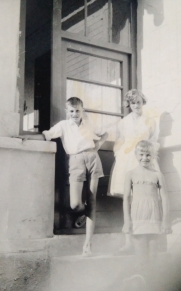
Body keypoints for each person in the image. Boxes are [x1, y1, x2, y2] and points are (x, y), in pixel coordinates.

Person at [43, 97, 108, 256]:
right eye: (71, 111)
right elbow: (48, 134)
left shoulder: (88, 123)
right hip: (76, 160)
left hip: (93, 158)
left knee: (92, 201)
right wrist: (44, 134)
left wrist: (98, 145)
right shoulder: (63, 125)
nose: (74, 113)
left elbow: (104, 133)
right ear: (67, 112)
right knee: (75, 204)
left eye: (77, 110)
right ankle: (86, 214)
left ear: (82, 110)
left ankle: (88, 245)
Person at [109, 89, 159, 252]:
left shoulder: (150, 121)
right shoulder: (123, 122)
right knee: (129, 201)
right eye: (132, 102)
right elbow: (120, 142)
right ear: (128, 104)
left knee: (145, 199)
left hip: (144, 159)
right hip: (127, 160)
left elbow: (153, 141)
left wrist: (149, 159)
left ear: (142, 102)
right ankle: (129, 241)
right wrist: (120, 156)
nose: (136, 105)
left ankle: (146, 238)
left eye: (138, 102)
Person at [123, 140, 171, 267]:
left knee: (153, 257)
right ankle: (142, 282)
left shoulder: (158, 175)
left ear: (153, 156)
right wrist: (127, 221)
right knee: (141, 258)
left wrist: (165, 220)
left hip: (154, 217)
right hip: (137, 217)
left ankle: (152, 281)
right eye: (142, 154)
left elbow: (165, 198)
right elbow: (126, 198)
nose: (145, 158)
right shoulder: (130, 174)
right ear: (136, 155)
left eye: (148, 155)